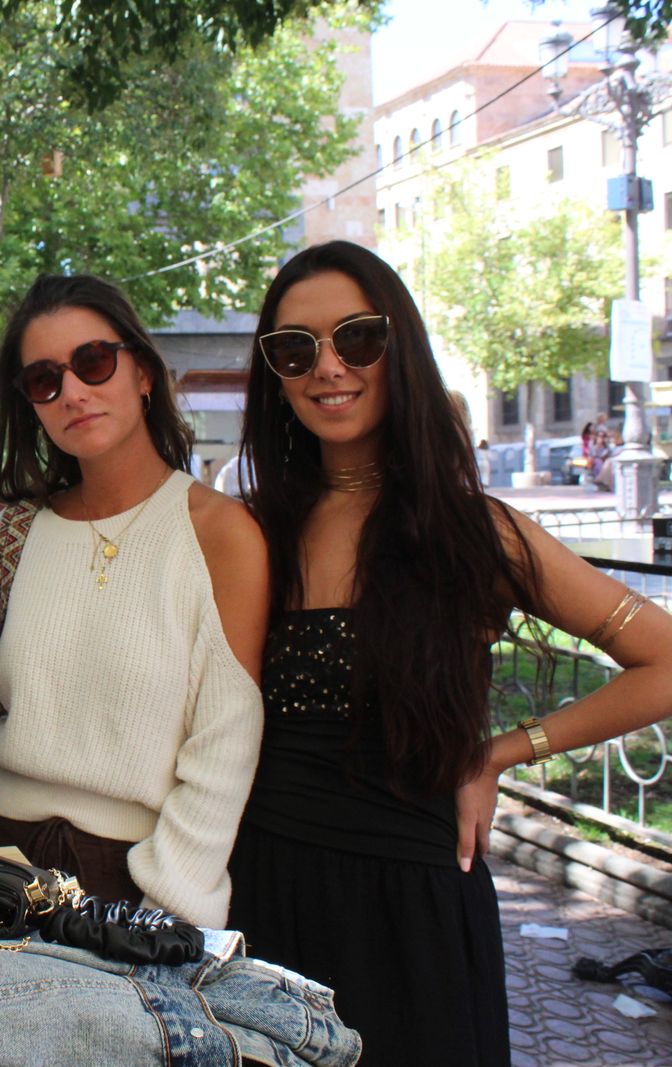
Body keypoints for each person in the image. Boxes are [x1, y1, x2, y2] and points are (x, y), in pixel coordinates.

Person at [227, 241, 672, 1064]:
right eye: (295, 349)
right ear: (275, 374)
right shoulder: (253, 531)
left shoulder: (477, 531)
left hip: (414, 907)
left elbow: (664, 660)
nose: (328, 368)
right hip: (264, 893)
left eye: (357, 338)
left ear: (402, 346)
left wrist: (502, 752)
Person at [0, 274, 268, 927]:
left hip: (130, 875)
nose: (73, 392)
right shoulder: (12, 535)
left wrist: (165, 907)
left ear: (143, 371)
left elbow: (225, 743)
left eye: (93, 361)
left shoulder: (220, 534)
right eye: (43, 379)